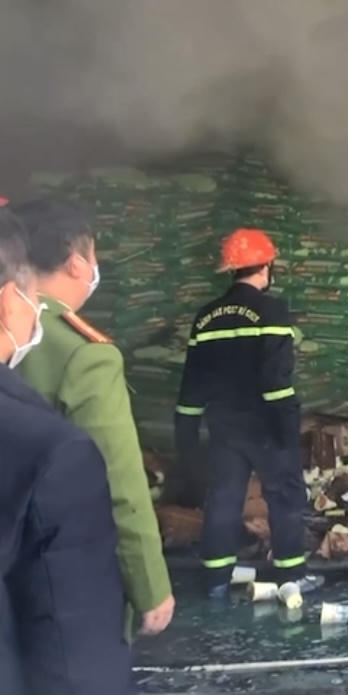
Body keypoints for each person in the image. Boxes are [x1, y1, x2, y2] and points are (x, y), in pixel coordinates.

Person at [13, 199, 174, 639]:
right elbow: (118, 480)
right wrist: (150, 584)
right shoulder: (84, 355)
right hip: (60, 573)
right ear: (75, 261)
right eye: (93, 255)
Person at [0, 208, 133, 694]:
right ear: (7, 303)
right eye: (30, 295)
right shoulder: (54, 454)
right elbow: (73, 654)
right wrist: (150, 587)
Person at [174, 228, 322, 597]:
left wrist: (186, 435)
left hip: (224, 426)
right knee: (284, 495)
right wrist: (287, 430)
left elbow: (192, 383)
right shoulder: (272, 311)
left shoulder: (205, 317)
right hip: (266, 425)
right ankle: (291, 576)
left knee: (224, 499)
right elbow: (276, 381)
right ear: (267, 267)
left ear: (231, 269)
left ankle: (216, 580)